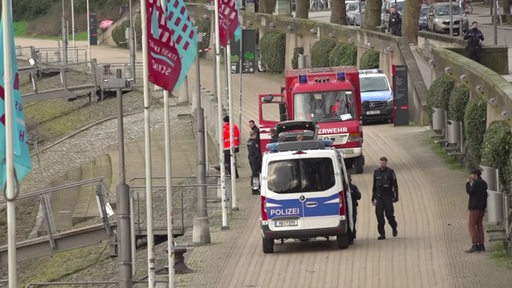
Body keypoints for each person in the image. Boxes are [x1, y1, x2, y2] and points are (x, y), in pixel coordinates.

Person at [372, 156, 399, 240]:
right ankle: (382, 234)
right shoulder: (376, 172)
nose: (381, 164)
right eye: (380, 162)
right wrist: (373, 198)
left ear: (386, 163)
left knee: (389, 215)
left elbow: (395, 185)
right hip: (379, 197)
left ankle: (394, 227)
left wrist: (396, 196)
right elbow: (374, 186)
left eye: (383, 163)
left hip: (388, 196)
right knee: (379, 216)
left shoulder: (390, 172)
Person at [465, 168, 488, 253]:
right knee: (479, 225)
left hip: (474, 208)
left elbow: (469, 191)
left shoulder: (475, 183)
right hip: (482, 208)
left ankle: (475, 244)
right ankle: (481, 244)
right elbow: (485, 195)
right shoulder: (484, 183)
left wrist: (467, 183)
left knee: (471, 225)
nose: (470, 176)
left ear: (475, 175)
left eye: (471, 174)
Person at [347, 173, 362, 245]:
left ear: (350, 179)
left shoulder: (353, 187)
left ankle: (351, 238)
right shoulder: (342, 188)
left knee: (353, 221)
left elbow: (359, 196)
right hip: (345, 208)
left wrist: (352, 194)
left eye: (348, 178)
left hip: (353, 206)